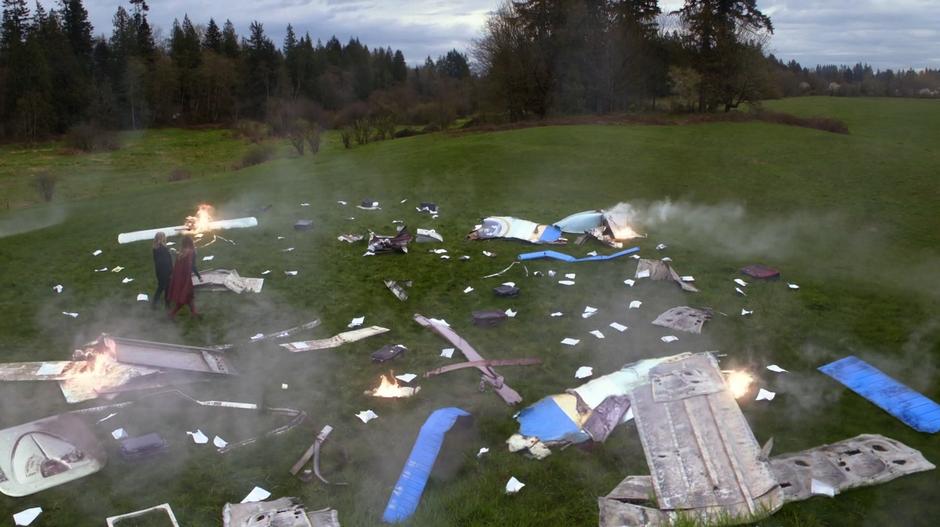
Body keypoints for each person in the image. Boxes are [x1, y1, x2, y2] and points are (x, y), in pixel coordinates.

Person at [167, 235, 202, 320]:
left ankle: (194, 313)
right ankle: (171, 314)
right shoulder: (191, 252)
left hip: (179, 278)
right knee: (184, 297)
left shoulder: (182, 252)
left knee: (189, 296)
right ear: (191, 243)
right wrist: (199, 276)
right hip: (185, 279)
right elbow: (192, 266)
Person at [151, 232, 173, 309]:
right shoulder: (163, 249)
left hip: (159, 271)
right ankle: (167, 305)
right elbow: (166, 261)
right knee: (167, 288)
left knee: (160, 287)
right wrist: (171, 270)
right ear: (162, 238)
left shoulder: (155, 248)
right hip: (165, 271)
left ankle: (154, 303)